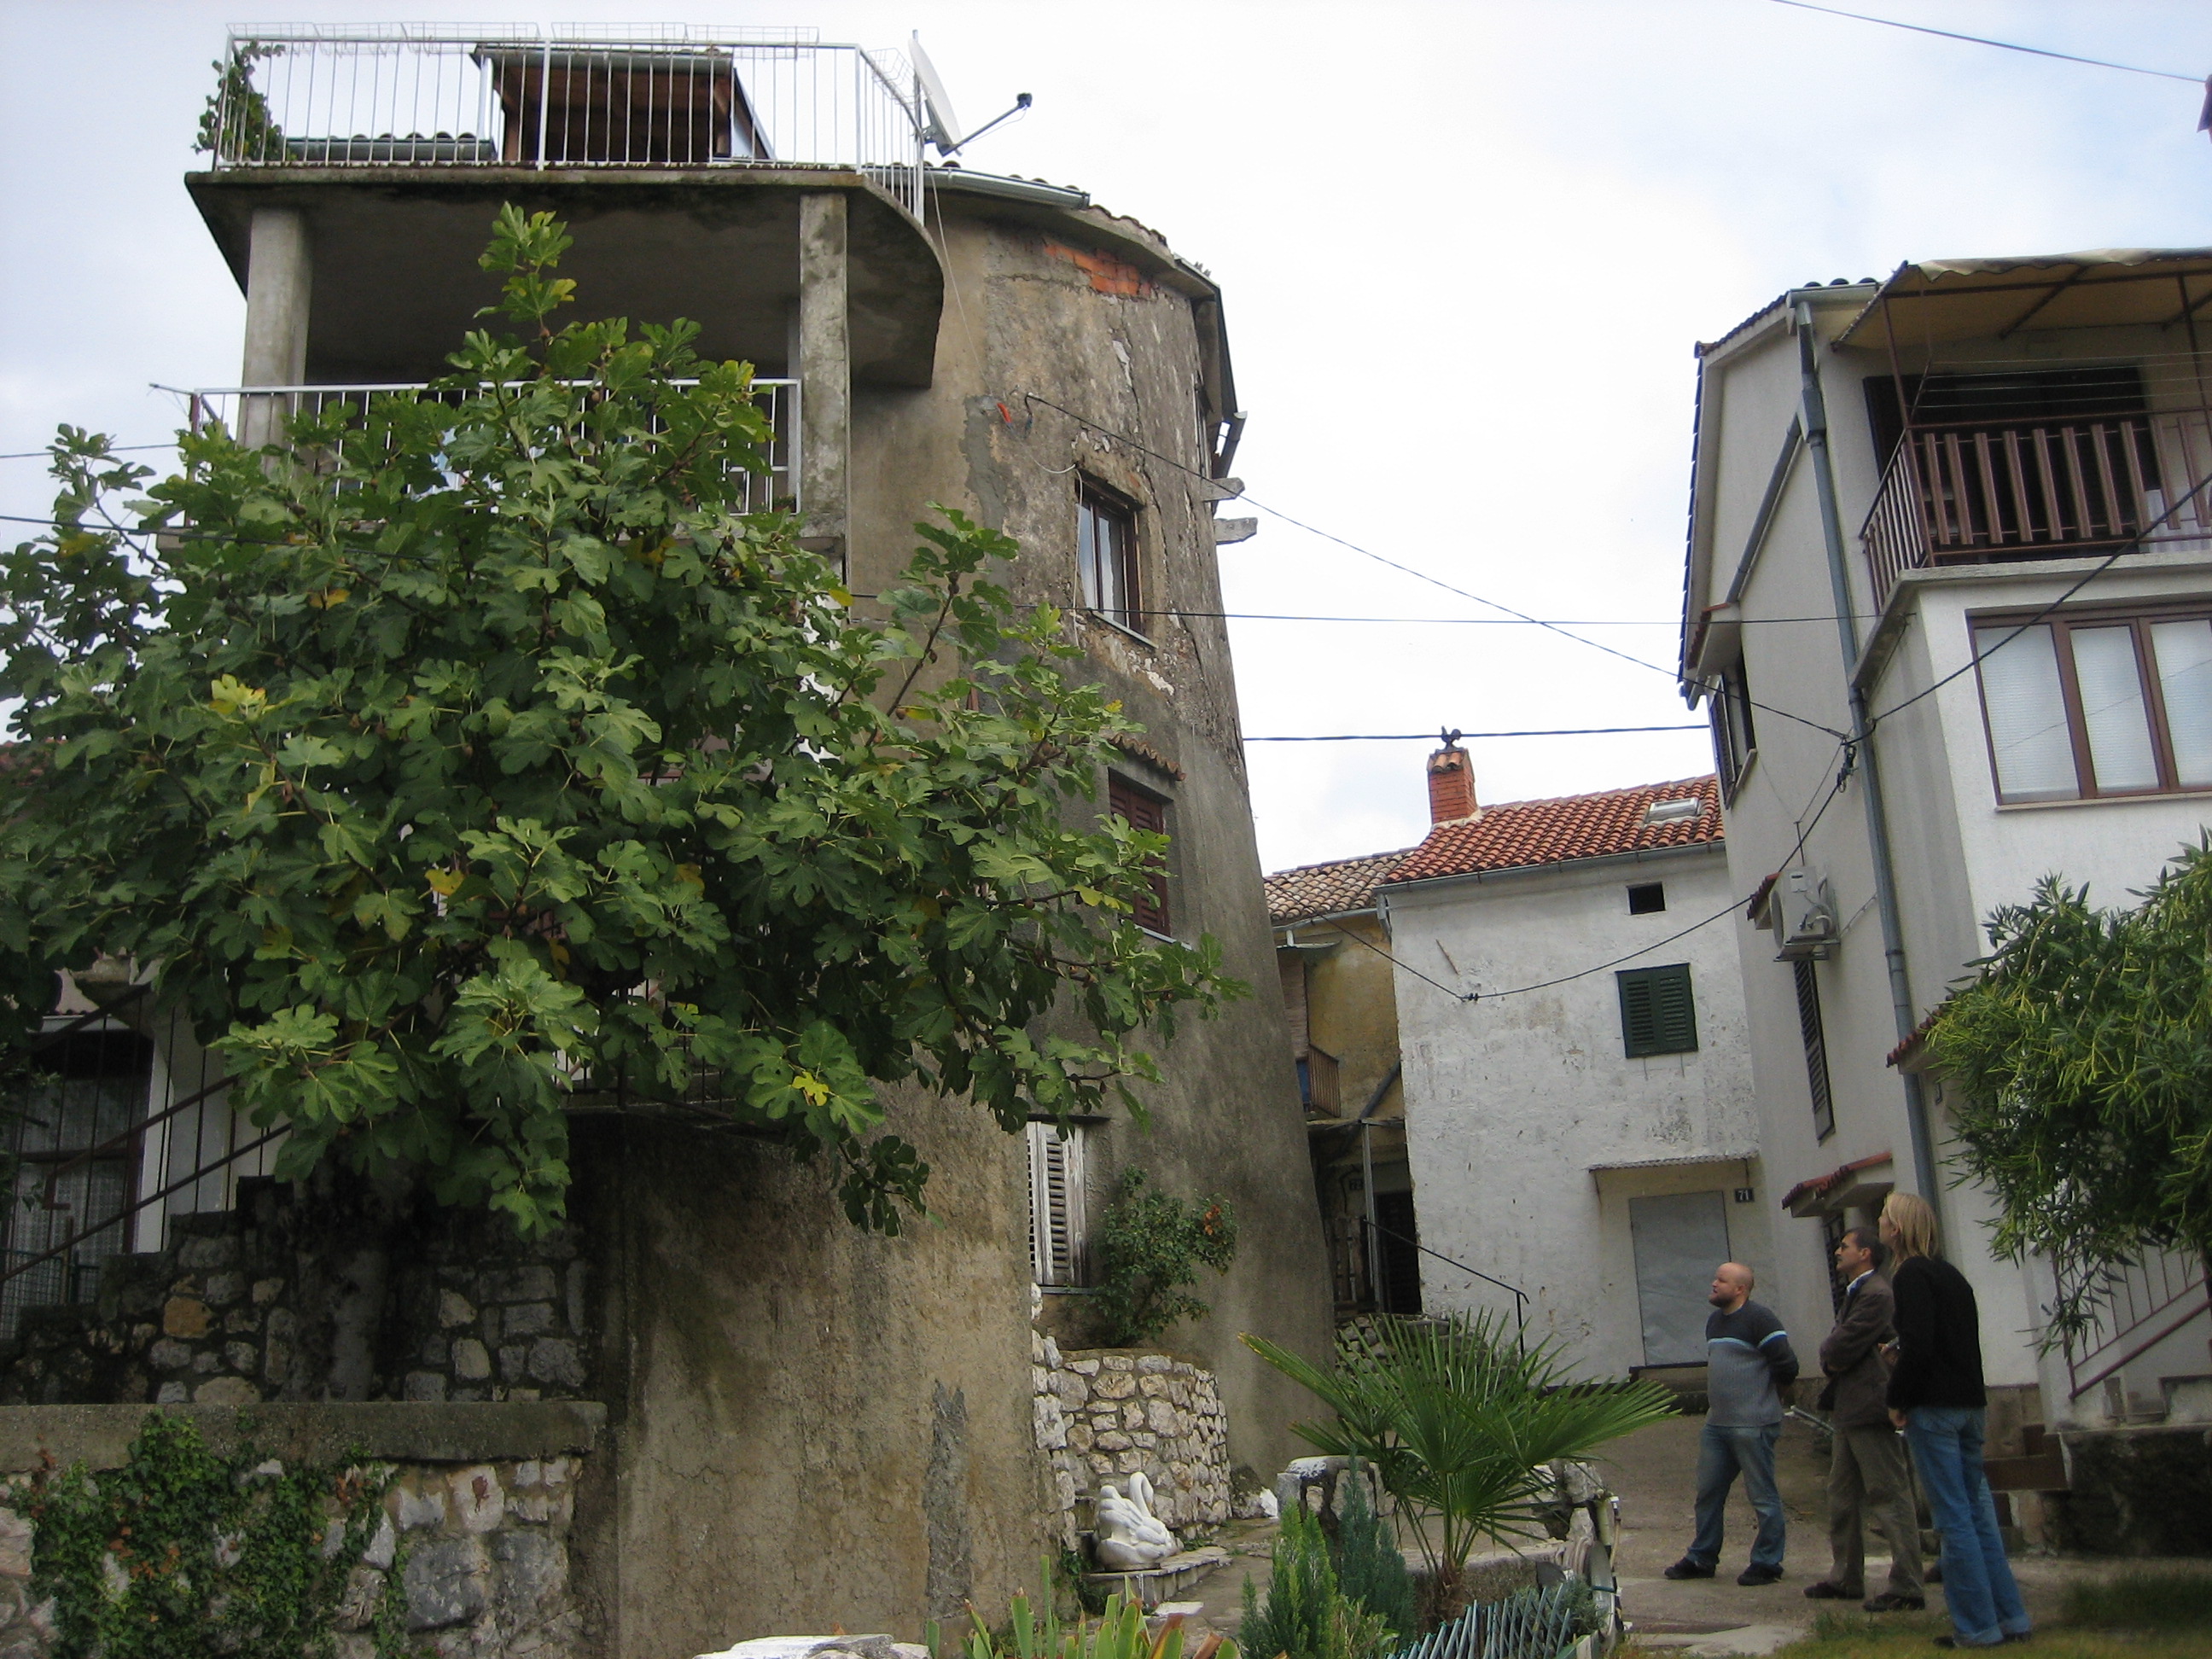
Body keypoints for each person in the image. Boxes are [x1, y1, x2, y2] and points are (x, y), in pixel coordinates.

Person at [1882, 1191, 2032, 1650]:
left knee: (1954, 1519)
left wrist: (1898, 1395)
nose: (1881, 1224)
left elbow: (1921, 1345)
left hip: (1935, 1407)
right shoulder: (1952, 1275)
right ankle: (2011, 1618)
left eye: (1886, 1217)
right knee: (1979, 1513)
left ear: (1900, 1229)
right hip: (1970, 1402)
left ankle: (1976, 1627)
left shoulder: (1909, 1274)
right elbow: (1954, 1340)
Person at [1802, 1227, 1924, 1612]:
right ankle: (1845, 1576)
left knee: (1888, 1493)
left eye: (1845, 1246)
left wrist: (1829, 1354)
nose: (1838, 1251)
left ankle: (1907, 1584)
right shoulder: (1859, 1291)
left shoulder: (1876, 1294)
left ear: (1866, 1254)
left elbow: (1845, 1342)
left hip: (1871, 1406)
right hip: (1850, 1407)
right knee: (1841, 1495)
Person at [1665, 1261, 1800, 1587]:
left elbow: (1787, 1365)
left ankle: (1767, 1562)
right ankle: (1702, 1557)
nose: (1713, 1284)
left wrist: (1767, 1402)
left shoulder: (1760, 1319)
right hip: (1718, 1425)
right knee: (1708, 1492)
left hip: (1752, 1424)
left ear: (1740, 1289)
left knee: (1762, 1496)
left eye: (1721, 1280)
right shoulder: (1715, 1322)